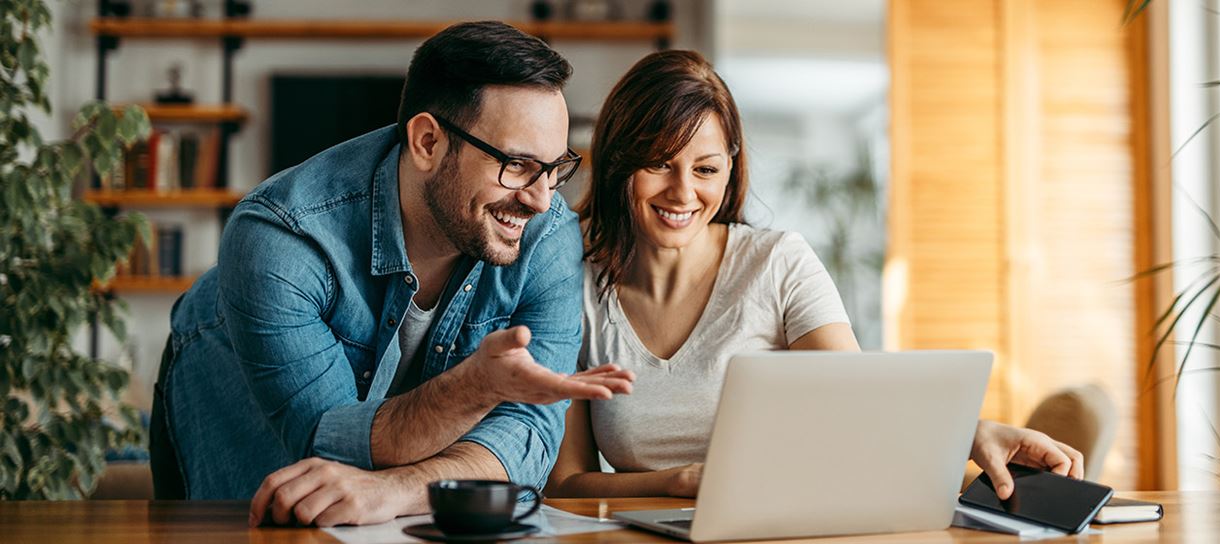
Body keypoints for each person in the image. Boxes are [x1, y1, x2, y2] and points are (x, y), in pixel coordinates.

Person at [150, 22, 635, 527]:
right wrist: (477, 388)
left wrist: (399, 489)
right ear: (427, 142)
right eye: (516, 165)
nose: (540, 199)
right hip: (231, 394)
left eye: (555, 168)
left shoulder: (549, 232)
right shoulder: (283, 237)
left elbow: (528, 437)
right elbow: (326, 441)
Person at [545, 50, 1084, 500]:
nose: (683, 192)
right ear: (617, 161)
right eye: (659, 164)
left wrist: (972, 432)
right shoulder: (571, 278)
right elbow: (566, 483)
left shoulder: (777, 263)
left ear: (730, 167)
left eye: (705, 169)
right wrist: (678, 482)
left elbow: (859, 396)